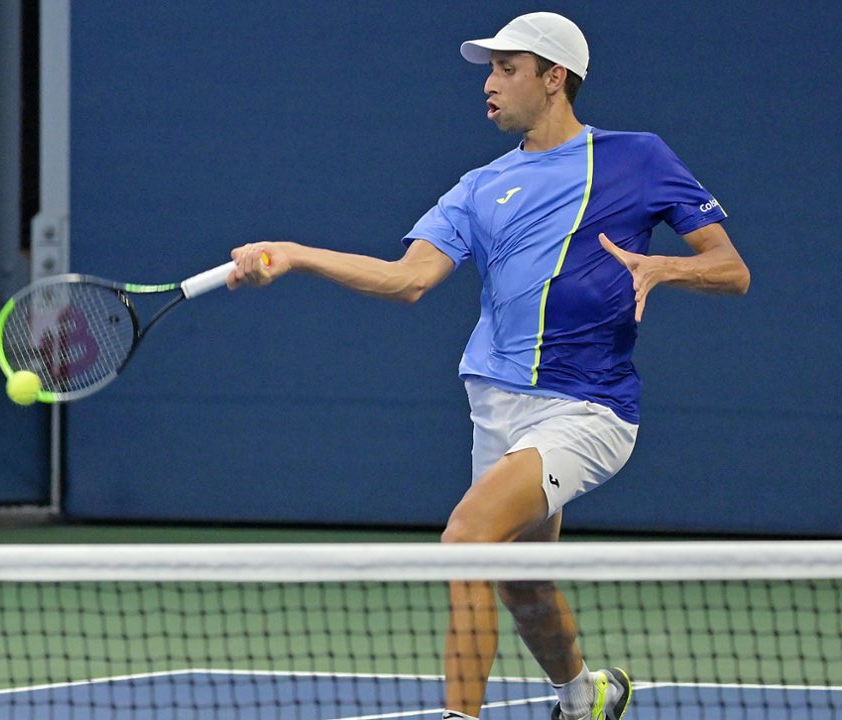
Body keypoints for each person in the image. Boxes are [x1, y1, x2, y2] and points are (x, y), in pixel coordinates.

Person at [227, 12, 749, 720]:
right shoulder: (478, 187)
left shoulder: (638, 157)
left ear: (554, 78)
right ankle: (585, 696)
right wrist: (294, 254)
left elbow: (730, 268)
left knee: (466, 540)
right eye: (490, 69)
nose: (489, 83)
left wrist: (663, 268)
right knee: (522, 583)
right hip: (496, 406)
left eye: (508, 68)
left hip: (585, 410)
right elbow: (406, 278)